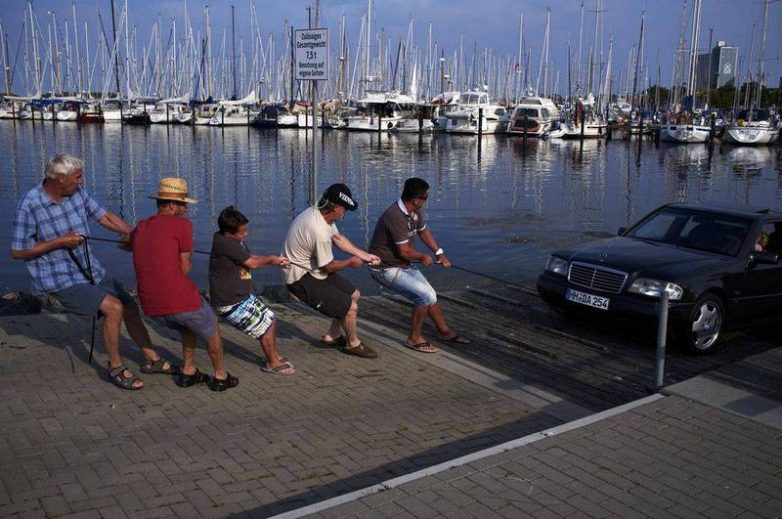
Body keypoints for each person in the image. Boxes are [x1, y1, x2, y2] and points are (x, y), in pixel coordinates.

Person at [10, 153, 174, 390]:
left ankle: (152, 359)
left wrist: (135, 236)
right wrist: (60, 241)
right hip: (58, 277)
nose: (82, 181)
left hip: (90, 269)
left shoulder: (76, 192)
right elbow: (18, 251)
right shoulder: (30, 205)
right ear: (60, 179)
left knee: (129, 305)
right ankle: (115, 366)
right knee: (113, 308)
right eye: (78, 177)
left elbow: (104, 216)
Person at [130, 178, 238, 392]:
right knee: (212, 326)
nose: (186, 208)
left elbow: (129, 244)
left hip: (150, 303)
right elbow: (185, 267)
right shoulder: (182, 225)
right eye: (183, 204)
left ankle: (189, 371)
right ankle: (220, 376)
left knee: (189, 325)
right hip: (177, 297)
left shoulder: (141, 226)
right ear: (171, 205)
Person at [368, 177, 470, 353]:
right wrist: (423, 256)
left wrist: (439, 253)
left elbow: (424, 232)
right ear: (416, 199)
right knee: (423, 296)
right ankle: (414, 339)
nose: (426, 200)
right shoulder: (395, 216)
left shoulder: (415, 211)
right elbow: (404, 252)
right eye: (425, 197)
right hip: (384, 267)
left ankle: (444, 332)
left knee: (431, 294)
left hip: (402, 265)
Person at [281, 183, 381, 359]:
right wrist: (350, 262)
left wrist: (365, 256)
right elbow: (328, 267)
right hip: (299, 279)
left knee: (354, 295)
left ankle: (332, 336)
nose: (344, 214)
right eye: (344, 209)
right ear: (335, 207)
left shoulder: (319, 213)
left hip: (312, 270)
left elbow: (338, 239)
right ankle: (353, 344)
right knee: (350, 308)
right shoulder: (318, 230)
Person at [209, 206, 294, 375]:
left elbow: (250, 257)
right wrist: (271, 260)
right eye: (242, 232)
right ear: (229, 234)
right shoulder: (226, 243)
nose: (245, 234)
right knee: (264, 326)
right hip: (229, 301)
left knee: (270, 318)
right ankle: (272, 363)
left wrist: (276, 260)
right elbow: (252, 264)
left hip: (242, 296)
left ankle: (274, 356)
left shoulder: (233, 241)